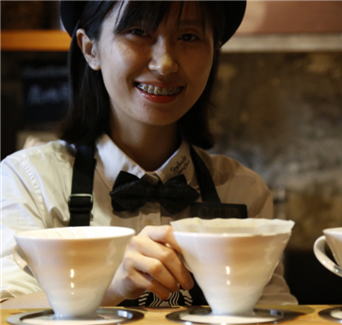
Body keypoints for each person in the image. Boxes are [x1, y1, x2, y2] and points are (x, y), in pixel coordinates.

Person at [1, 0, 297, 308]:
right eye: (138, 31)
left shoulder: (242, 191)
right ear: (90, 48)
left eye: (189, 37)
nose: (164, 63)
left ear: (213, 52)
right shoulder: (30, 181)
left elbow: (275, 312)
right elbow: (7, 309)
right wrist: (108, 287)